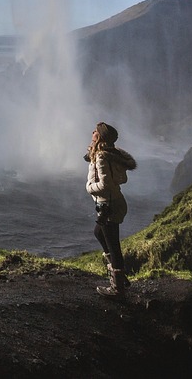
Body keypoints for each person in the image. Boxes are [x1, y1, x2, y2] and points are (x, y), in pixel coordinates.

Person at [85, 121, 138, 297]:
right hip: (114, 202)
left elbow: (106, 183)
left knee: (113, 245)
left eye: (95, 131)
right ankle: (119, 277)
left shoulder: (102, 156)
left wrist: (89, 187)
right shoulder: (110, 155)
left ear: (99, 136)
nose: (92, 132)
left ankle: (117, 289)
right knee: (99, 233)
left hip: (108, 204)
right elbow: (121, 179)